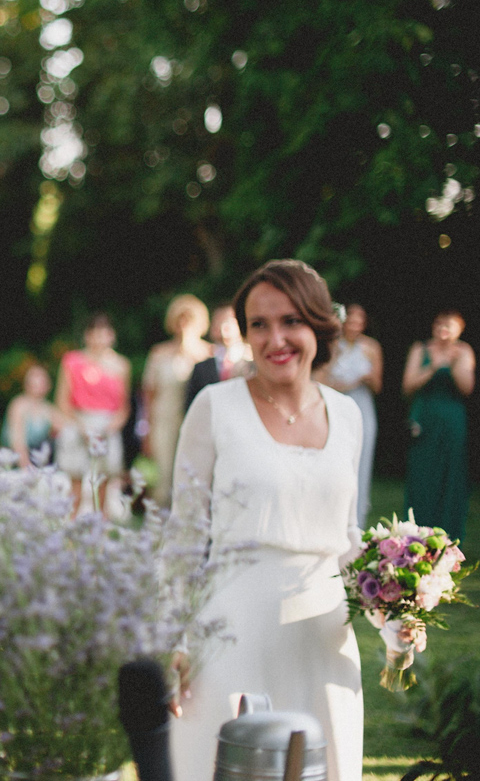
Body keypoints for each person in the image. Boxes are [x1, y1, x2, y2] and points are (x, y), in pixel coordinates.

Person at [169, 259, 364, 781]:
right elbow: (183, 535)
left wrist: (398, 609)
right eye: (259, 324)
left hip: (324, 636)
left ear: (318, 325)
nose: (275, 338)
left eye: (291, 321)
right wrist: (174, 637)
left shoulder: (348, 415)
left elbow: (349, 535)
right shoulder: (214, 407)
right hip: (231, 629)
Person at [402, 309, 474, 540]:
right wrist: (433, 366)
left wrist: (452, 364)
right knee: (423, 474)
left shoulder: (463, 351)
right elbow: (408, 386)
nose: (443, 329)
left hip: (452, 420)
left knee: (450, 474)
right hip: (425, 418)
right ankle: (417, 533)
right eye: (439, 324)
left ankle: (447, 535)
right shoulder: (420, 349)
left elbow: (467, 388)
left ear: (459, 330)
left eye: (449, 325)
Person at [55, 313, 131, 516]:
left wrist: (107, 429)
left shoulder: (121, 365)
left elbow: (124, 408)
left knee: (104, 486)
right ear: (87, 335)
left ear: (111, 336)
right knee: (76, 486)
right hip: (77, 422)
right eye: (94, 333)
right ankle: (70, 531)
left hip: (107, 425)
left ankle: (100, 532)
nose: (98, 338)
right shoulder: (72, 361)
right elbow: (63, 401)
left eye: (103, 333)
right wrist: (83, 428)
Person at [142, 294, 211, 506]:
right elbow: (149, 394)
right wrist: (146, 428)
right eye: (180, 319)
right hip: (164, 420)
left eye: (189, 319)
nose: (184, 325)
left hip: (198, 422)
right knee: (165, 475)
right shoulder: (159, 353)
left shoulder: (208, 353)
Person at [320, 303, 383, 529]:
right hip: (335, 403)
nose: (355, 325)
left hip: (362, 406)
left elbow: (377, 385)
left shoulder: (371, 347)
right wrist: (347, 383)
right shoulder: (334, 346)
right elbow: (322, 379)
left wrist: (362, 379)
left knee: (362, 461)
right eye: (351, 320)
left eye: (360, 320)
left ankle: (357, 520)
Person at [184, 303, 251, 412]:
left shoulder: (252, 364)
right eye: (219, 322)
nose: (224, 328)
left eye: (229, 322)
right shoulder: (201, 368)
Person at [1, 362, 63, 468]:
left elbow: (65, 429)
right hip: (15, 461)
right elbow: (17, 442)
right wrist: (27, 469)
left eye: (42, 381)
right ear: (27, 384)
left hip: (39, 461)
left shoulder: (48, 409)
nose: (38, 385)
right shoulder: (19, 405)